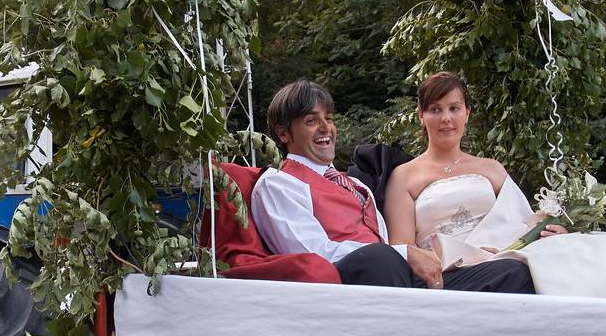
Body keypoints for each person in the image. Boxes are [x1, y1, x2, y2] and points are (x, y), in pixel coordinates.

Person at [251, 79, 535, 293]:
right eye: (312, 121)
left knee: (512, 272)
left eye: (329, 119)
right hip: (352, 287)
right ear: (284, 132)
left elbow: (388, 245)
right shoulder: (279, 184)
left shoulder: (355, 186)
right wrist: (403, 253)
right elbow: (314, 254)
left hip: (399, 278)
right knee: (380, 257)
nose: (326, 128)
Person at [384, 71, 605, 298]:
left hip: (502, 257)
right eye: (435, 109)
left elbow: (523, 224)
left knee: (593, 249)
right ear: (421, 115)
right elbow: (403, 249)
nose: (446, 118)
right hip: (446, 272)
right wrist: (467, 256)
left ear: (467, 113)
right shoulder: (404, 176)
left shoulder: (491, 168)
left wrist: (551, 232)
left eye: (454, 108)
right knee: (515, 272)